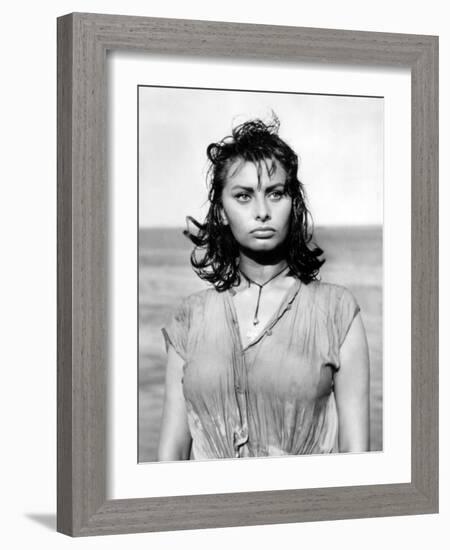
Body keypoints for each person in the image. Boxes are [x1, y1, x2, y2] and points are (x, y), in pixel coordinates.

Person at [157, 116, 370, 461]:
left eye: (275, 193)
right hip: (206, 512)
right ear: (222, 211)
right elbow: (171, 454)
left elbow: (357, 457)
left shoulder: (337, 311)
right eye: (243, 196)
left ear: (293, 203)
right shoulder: (190, 317)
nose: (262, 212)